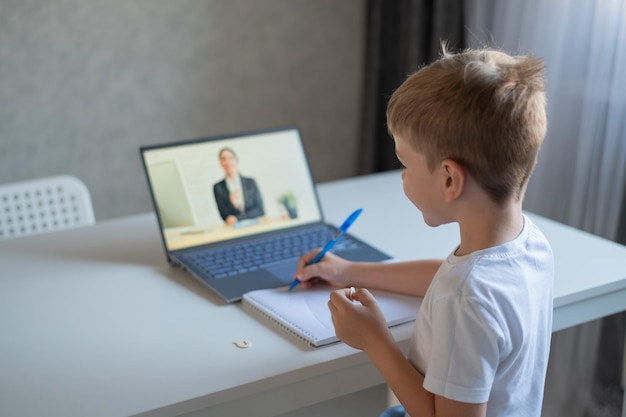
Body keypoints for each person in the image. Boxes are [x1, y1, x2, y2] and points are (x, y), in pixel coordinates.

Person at [293, 46, 554, 417]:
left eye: (404, 164)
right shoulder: (529, 243)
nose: (401, 175)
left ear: (449, 179)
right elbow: (445, 276)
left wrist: (376, 340)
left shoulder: (464, 299)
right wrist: (346, 271)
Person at [213, 147, 264, 225]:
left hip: (256, 225)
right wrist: (233, 205)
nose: (227, 162)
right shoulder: (218, 187)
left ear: (236, 161)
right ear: (220, 163)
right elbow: (225, 216)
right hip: (234, 229)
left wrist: (238, 218)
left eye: (230, 158)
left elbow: (260, 210)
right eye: (223, 159)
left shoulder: (250, 182)